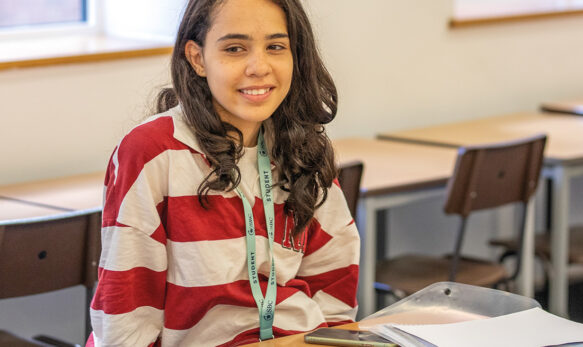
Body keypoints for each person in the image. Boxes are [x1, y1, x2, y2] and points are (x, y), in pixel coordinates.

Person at [87, 0, 360, 345]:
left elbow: (335, 278)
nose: (259, 66)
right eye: (235, 48)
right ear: (197, 58)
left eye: (276, 47)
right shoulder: (153, 152)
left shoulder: (302, 148)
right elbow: (126, 308)